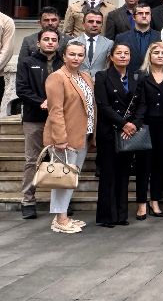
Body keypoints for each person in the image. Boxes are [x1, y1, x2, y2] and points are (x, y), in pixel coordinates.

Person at [43, 41, 94, 233]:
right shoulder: (56, 77)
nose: (76, 58)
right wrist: (60, 139)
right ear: (64, 56)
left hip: (83, 134)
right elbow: (55, 112)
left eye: (80, 55)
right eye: (72, 54)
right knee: (61, 178)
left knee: (71, 177)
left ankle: (63, 214)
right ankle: (60, 219)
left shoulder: (85, 77)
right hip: (64, 138)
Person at [15, 29, 63, 219]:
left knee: (59, 161)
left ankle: (59, 203)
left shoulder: (63, 63)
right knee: (33, 160)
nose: (50, 43)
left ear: (58, 43)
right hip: (34, 118)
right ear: (38, 42)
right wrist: (40, 102)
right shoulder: (27, 62)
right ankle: (28, 200)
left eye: (54, 40)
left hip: (59, 119)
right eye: (46, 39)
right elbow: (22, 89)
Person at [94, 43, 138, 227]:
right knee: (108, 175)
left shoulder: (135, 77)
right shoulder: (102, 76)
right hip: (109, 132)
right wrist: (123, 124)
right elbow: (103, 106)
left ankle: (121, 215)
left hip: (128, 133)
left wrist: (134, 124)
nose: (122, 56)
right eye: (118, 53)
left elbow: (141, 104)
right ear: (111, 57)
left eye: (126, 53)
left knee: (123, 175)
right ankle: (106, 216)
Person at [132, 42, 163, 218]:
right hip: (145, 126)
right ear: (149, 55)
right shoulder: (141, 76)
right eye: (155, 52)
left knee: (159, 165)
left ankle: (155, 201)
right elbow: (136, 102)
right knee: (143, 166)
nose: (159, 55)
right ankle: (141, 203)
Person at [114, 3, 160, 76]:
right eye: (140, 13)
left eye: (147, 13)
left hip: (153, 78)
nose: (144, 16)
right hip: (129, 79)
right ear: (133, 17)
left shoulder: (160, 37)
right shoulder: (121, 38)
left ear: (151, 16)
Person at [71, 10, 113, 78]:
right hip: (77, 82)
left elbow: (109, 67)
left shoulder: (109, 43)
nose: (94, 25)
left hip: (100, 83)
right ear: (83, 24)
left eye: (98, 22)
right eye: (91, 21)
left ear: (102, 25)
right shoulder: (72, 43)